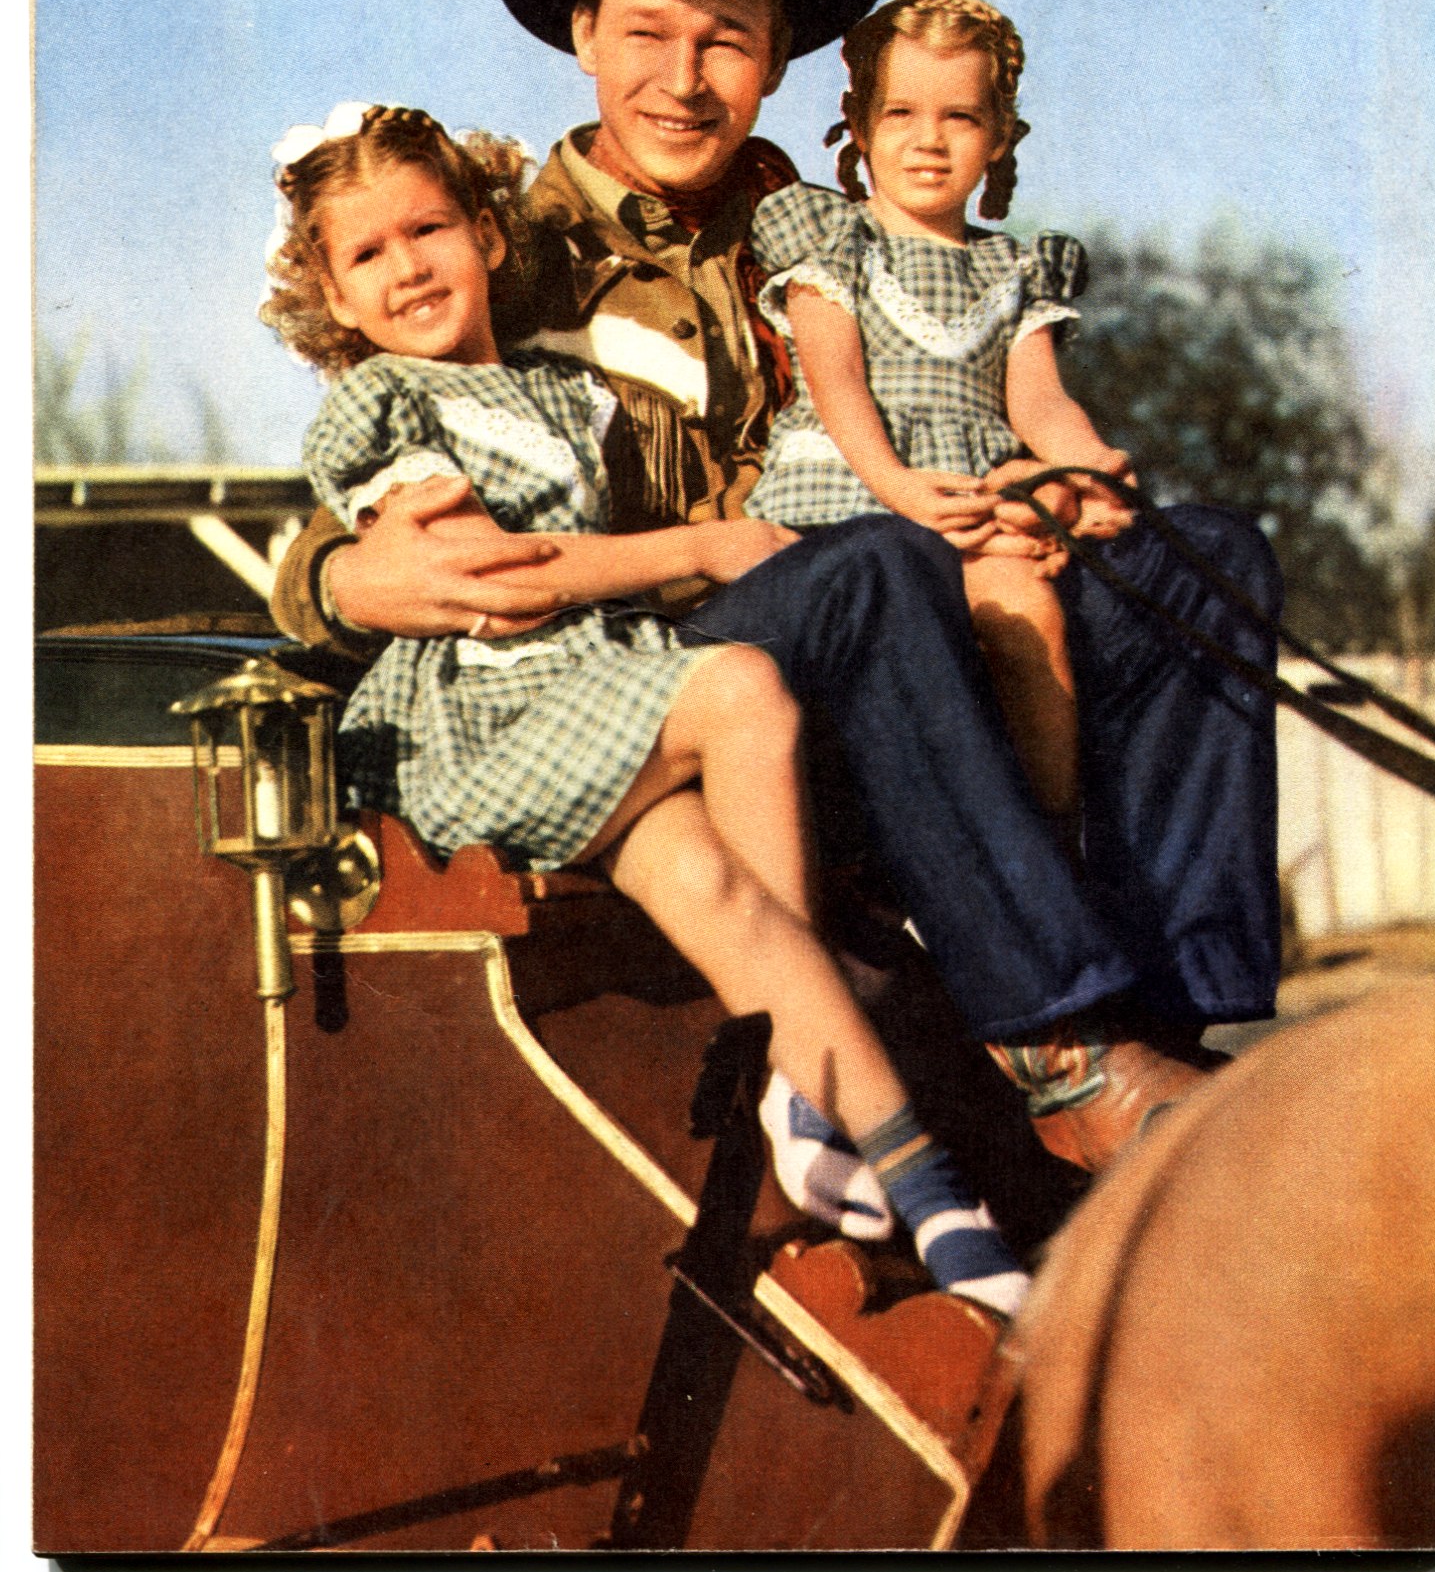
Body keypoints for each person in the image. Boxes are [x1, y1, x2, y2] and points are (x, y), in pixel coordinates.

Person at [271, 0, 1283, 1180]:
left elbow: (954, 399)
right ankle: (1059, 1044)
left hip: (901, 626)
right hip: (664, 667)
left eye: (727, 40)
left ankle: (1176, 1012)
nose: (684, 80)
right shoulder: (487, 250)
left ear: (782, 56)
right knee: (870, 569)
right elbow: (356, 484)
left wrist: (1039, 484)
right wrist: (338, 576)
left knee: (1193, 554)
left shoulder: (837, 234)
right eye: (647, 33)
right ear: (583, 33)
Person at [261, 98, 1032, 1314]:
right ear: (335, 297)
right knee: (740, 689)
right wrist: (706, 545)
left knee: (719, 892)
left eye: (430, 229)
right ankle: (799, 1075)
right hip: (489, 715)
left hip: (592, 698)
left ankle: (940, 1213)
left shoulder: (567, 397)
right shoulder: (385, 406)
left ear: (487, 236)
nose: (407, 267)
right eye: (368, 253)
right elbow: (492, 580)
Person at [745, 0, 1132, 840]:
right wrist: (898, 486)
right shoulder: (832, 241)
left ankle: (1050, 846)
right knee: (908, 619)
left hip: (969, 502)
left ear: (1000, 137)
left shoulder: (1013, 267)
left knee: (1027, 613)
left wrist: (1090, 465)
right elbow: (837, 383)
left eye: (960, 116)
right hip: (854, 491)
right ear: (857, 124)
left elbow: (1038, 398)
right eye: (901, 113)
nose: (929, 139)